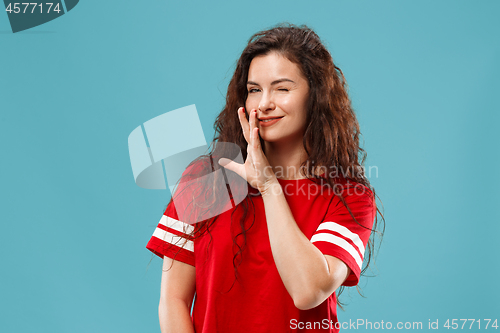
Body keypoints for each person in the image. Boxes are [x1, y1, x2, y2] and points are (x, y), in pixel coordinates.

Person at [146, 22, 384, 333]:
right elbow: (173, 300)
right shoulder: (206, 177)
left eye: (282, 88)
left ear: (316, 95)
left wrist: (269, 185)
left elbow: (308, 291)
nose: (264, 103)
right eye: (254, 90)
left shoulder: (349, 195)